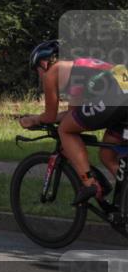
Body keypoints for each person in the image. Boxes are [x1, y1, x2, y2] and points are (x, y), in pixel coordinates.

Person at [20, 40, 128, 205]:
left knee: (65, 131)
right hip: (122, 88)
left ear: (43, 63)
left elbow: (50, 117)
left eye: (37, 71)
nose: (39, 76)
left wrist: (32, 120)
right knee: (107, 155)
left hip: (115, 94)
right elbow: (73, 115)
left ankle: (89, 183)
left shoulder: (52, 72)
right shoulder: (79, 70)